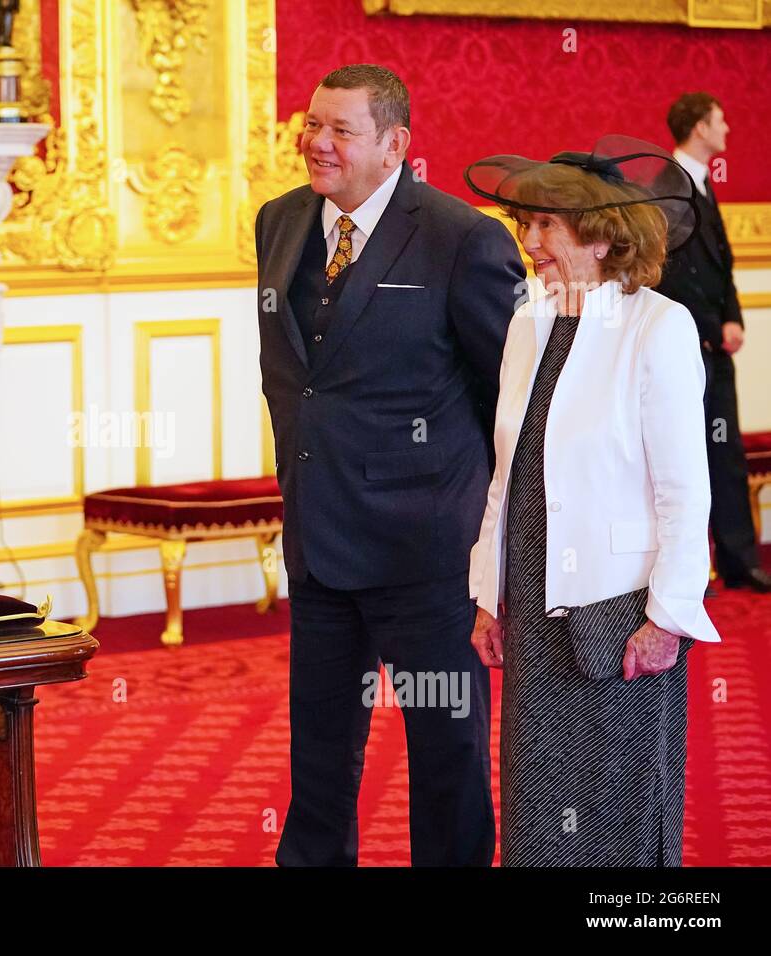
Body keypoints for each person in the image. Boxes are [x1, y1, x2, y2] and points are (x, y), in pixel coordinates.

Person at [255, 64, 524, 866]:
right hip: (317, 536)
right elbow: (293, 375)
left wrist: (477, 529)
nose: (316, 143)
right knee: (319, 747)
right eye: (311, 124)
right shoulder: (277, 223)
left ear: (395, 144)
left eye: (340, 129)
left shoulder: (463, 237)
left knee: (445, 750)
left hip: (427, 552)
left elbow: (502, 398)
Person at [465, 135, 721, 866]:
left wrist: (668, 616)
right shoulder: (528, 323)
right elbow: (504, 474)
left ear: (603, 237)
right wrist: (487, 594)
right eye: (525, 224)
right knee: (537, 820)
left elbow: (682, 491)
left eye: (545, 224)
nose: (528, 241)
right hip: (534, 611)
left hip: (618, 620)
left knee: (618, 818)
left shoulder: (658, 326)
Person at [656, 92, 769, 593]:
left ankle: (739, 561)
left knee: (726, 455)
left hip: (713, 351)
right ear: (700, 128)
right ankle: (685, 572)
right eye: (721, 120)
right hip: (687, 352)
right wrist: (706, 329)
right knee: (680, 461)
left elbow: (721, 266)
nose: (728, 129)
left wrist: (734, 318)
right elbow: (671, 275)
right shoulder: (667, 187)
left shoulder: (702, 184)